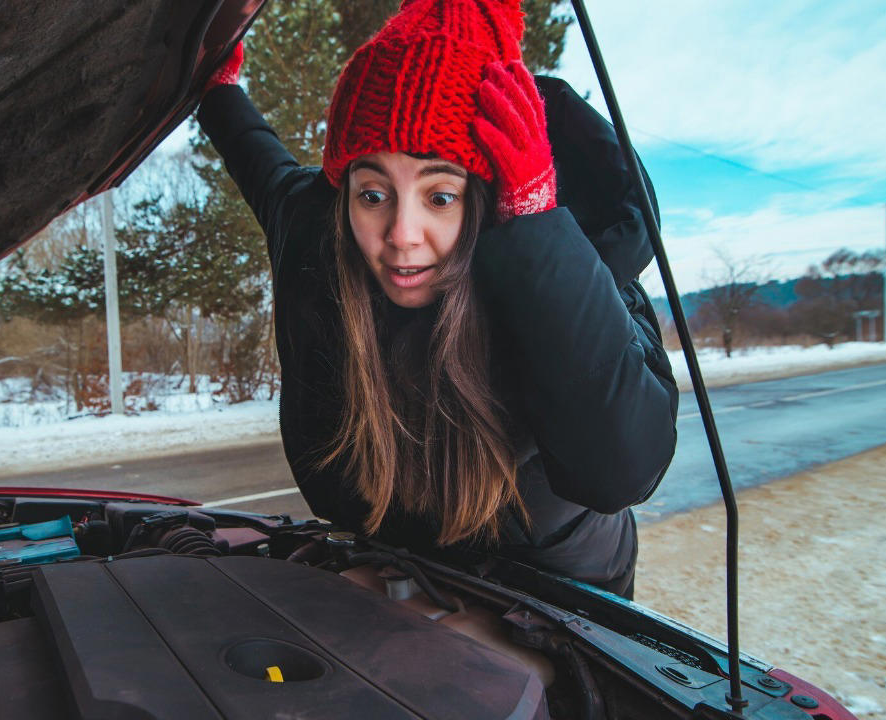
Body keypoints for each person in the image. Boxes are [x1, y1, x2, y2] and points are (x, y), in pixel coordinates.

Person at [196, 0, 677, 599]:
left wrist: (534, 231)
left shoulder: (580, 266)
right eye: (373, 194)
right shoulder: (317, 232)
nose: (402, 235)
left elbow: (621, 469)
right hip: (395, 575)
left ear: (490, 200)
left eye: (440, 196)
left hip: (558, 591)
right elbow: (257, 159)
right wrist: (216, 89)